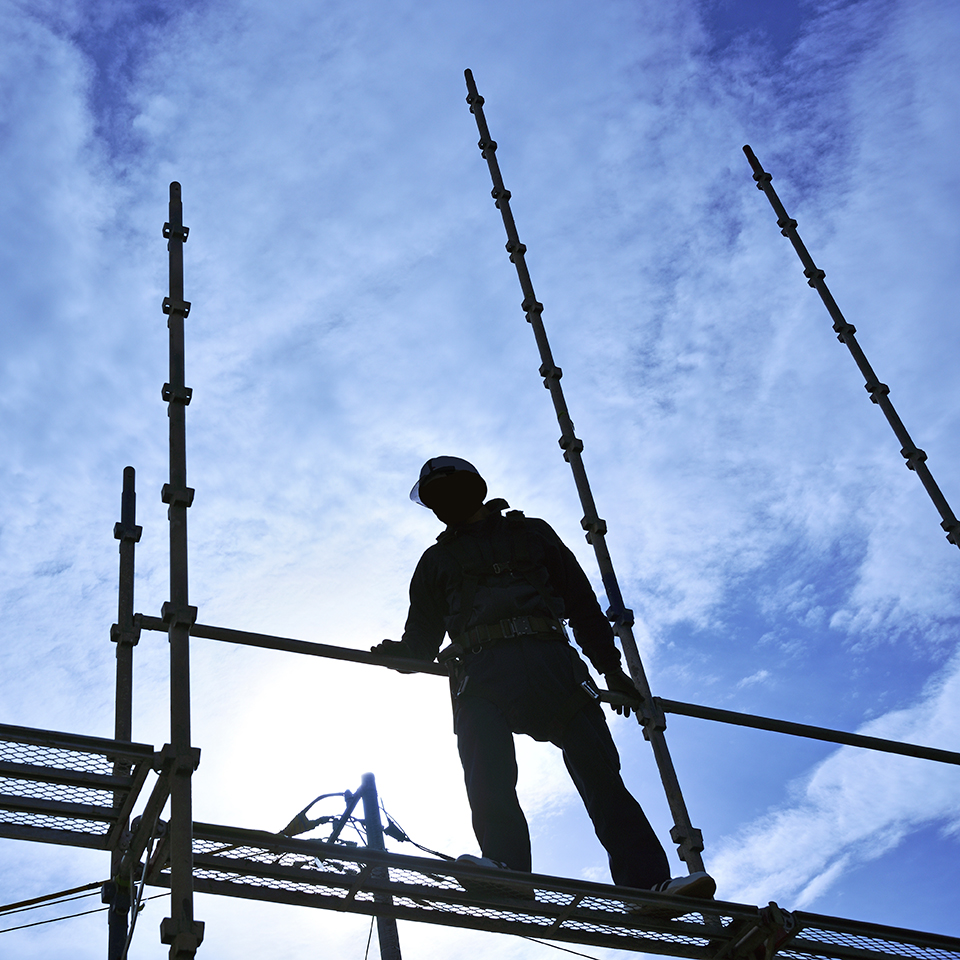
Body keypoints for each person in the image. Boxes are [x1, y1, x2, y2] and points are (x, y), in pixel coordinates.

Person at [372, 456, 714, 899]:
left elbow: (581, 602)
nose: (444, 504)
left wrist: (611, 669)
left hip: (554, 666)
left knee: (603, 779)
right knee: (488, 775)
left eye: (450, 493)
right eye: (436, 500)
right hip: (482, 674)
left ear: (475, 489)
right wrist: (403, 654)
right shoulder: (436, 561)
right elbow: (421, 635)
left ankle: (648, 885)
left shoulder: (531, 534)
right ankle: (508, 870)